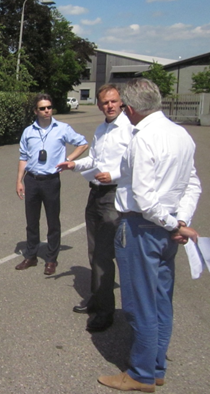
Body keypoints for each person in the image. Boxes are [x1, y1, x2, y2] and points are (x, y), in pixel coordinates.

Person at [98, 78, 200, 392]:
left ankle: (141, 373)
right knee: (160, 300)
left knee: (140, 304)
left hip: (142, 228)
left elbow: (143, 198)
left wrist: (173, 224)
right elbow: (192, 184)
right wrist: (180, 220)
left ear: (130, 109)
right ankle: (156, 367)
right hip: (166, 229)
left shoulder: (143, 139)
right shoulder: (181, 134)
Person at [56, 85, 133, 333]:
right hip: (96, 193)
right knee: (94, 252)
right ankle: (98, 299)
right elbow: (94, 160)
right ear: (99, 105)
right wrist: (74, 164)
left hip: (114, 195)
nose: (109, 106)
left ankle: (106, 311)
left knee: (103, 255)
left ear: (121, 102)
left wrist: (114, 175)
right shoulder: (101, 129)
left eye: (113, 101)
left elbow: (136, 165)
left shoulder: (130, 129)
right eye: (105, 102)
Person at [15, 93, 88, 276]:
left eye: (49, 107)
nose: (47, 111)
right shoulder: (28, 132)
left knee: (53, 221)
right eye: (42, 108)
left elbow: (83, 144)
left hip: (51, 181)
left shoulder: (62, 129)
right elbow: (23, 157)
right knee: (32, 221)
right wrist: (19, 180)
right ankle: (31, 256)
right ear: (35, 111)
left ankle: (51, 259)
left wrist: (68, 160)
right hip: (32, 179)